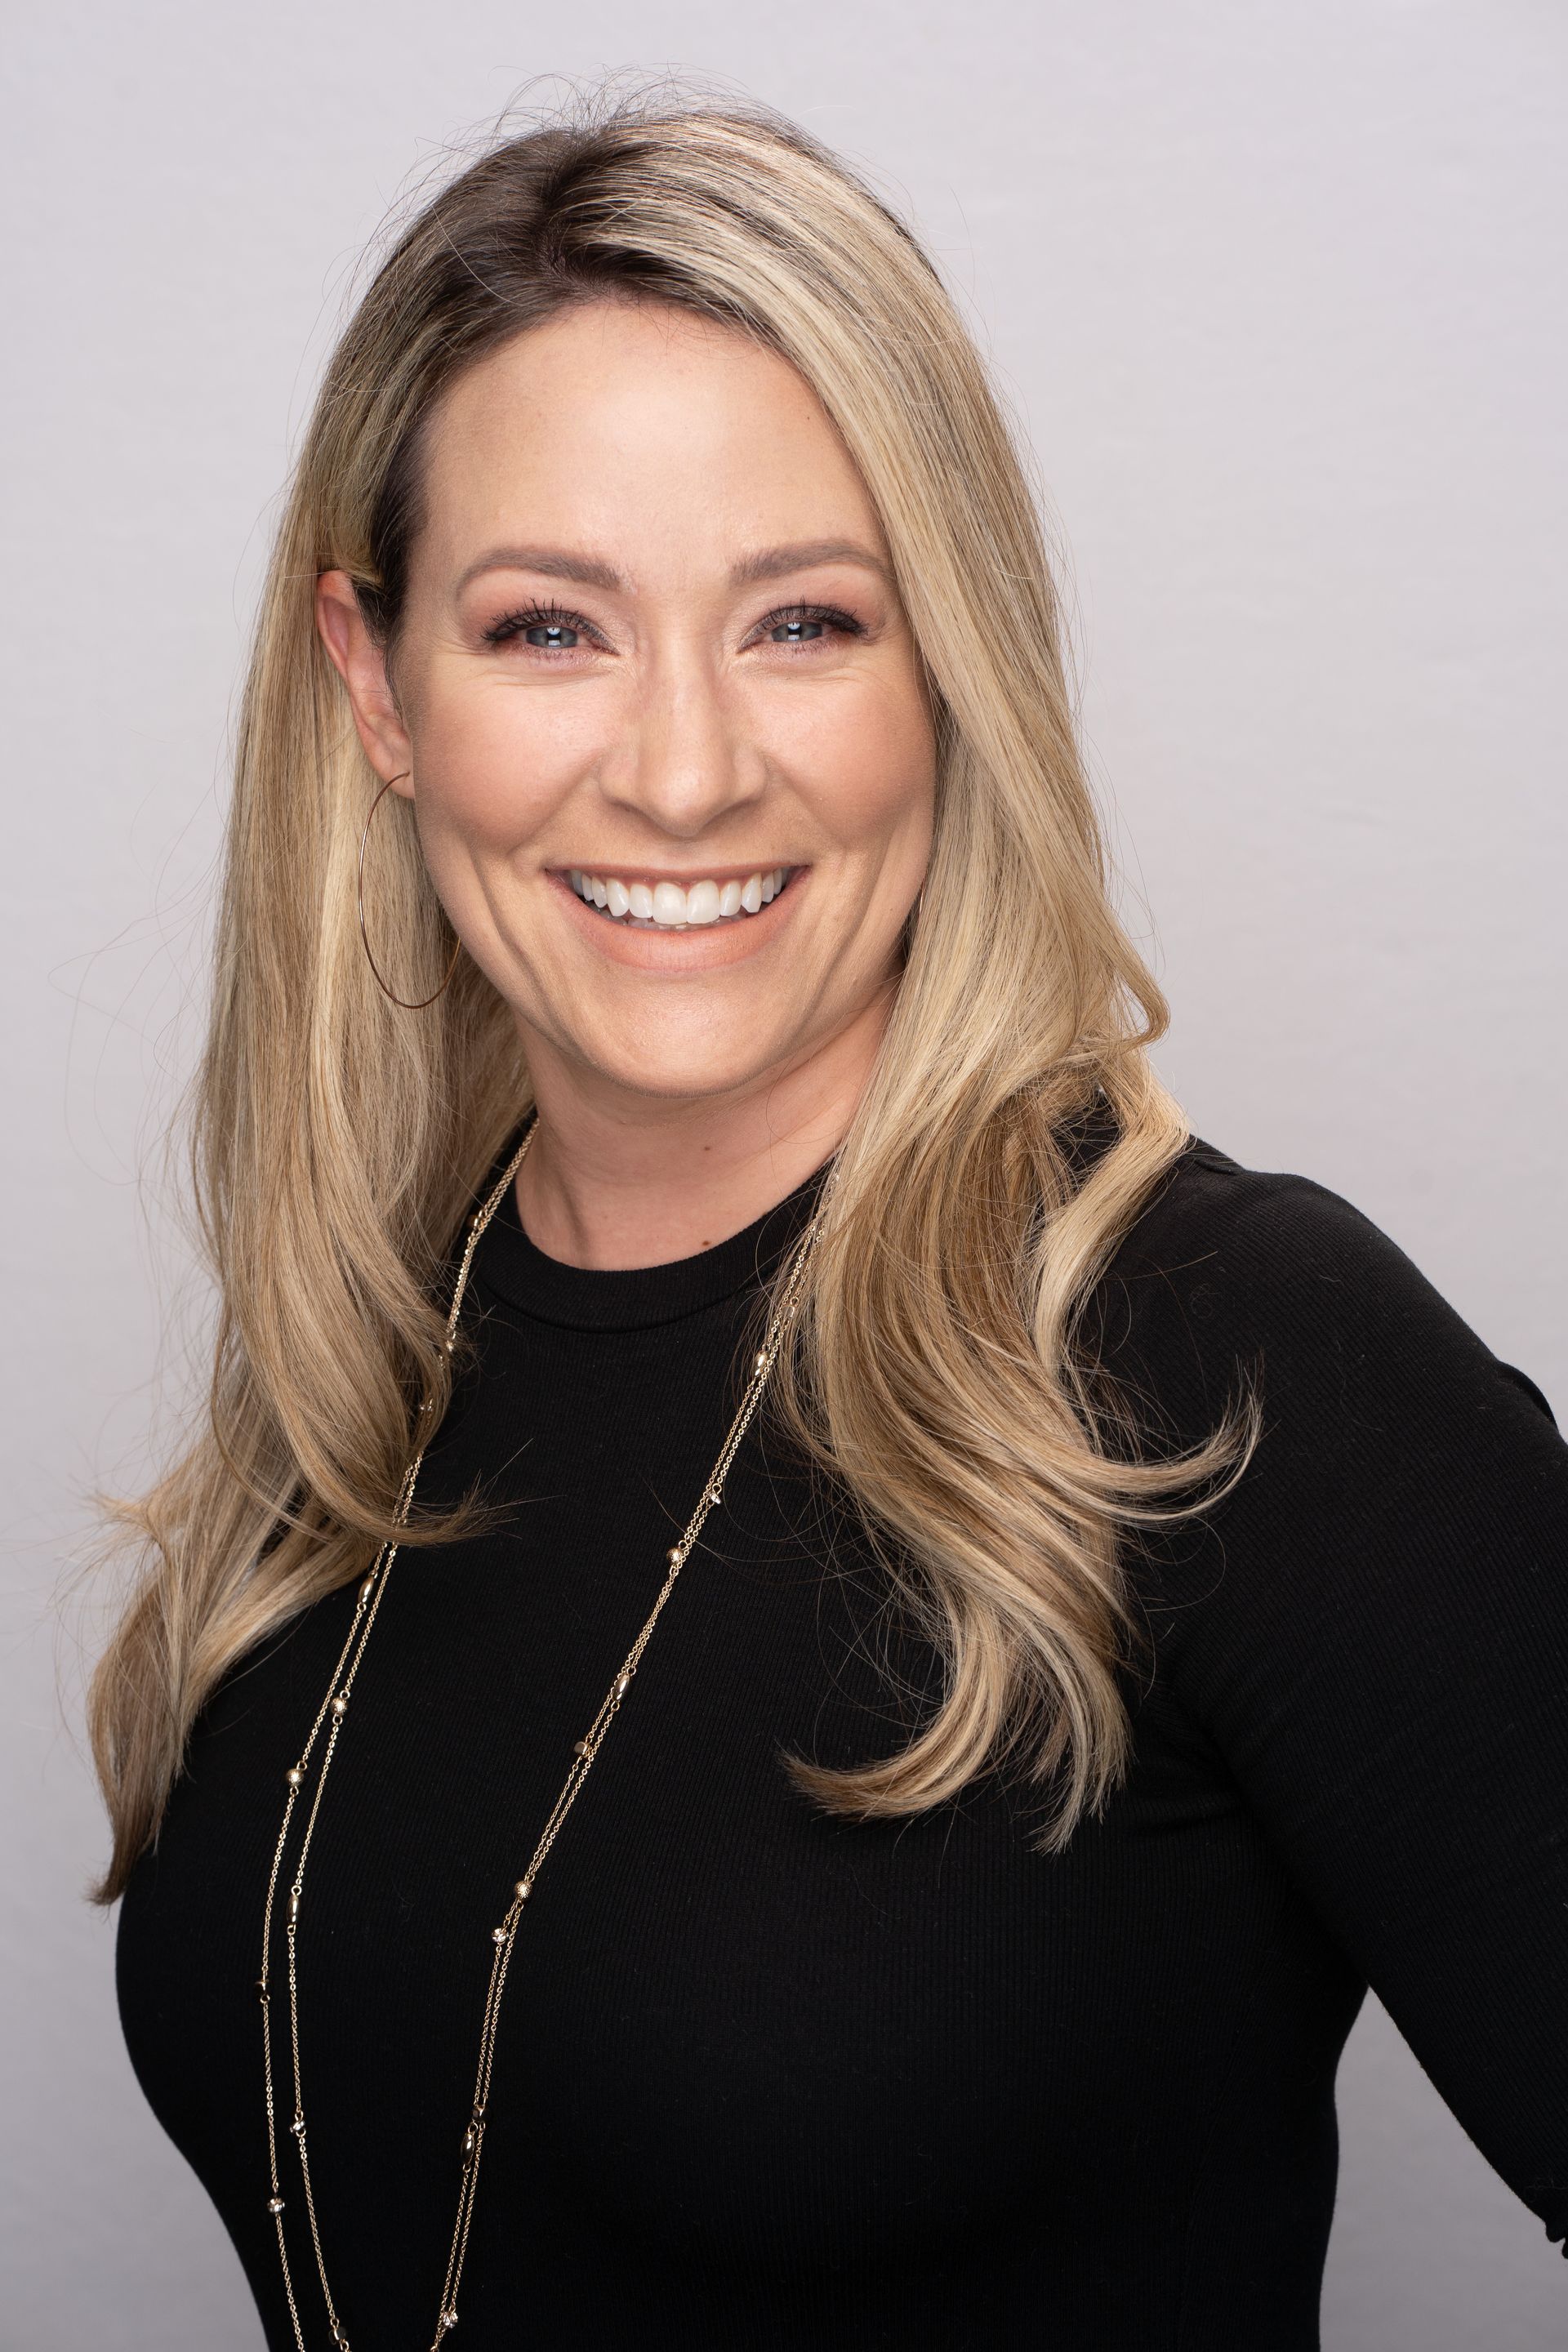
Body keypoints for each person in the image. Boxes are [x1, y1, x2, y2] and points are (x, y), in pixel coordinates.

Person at [95, 91, 1566, 2352]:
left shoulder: (1226, 1352)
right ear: (376, 686)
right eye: (548, 629)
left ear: (948, 666)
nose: (684, 770)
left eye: (802, 621)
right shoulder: (368, 1360)